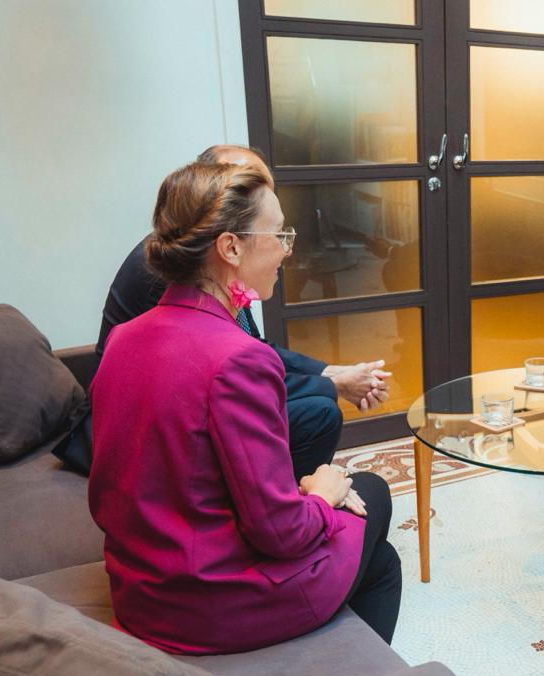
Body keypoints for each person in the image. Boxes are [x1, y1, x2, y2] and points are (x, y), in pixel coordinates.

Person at [88, 161, 402, 654]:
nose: (286, 251)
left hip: (139, 593)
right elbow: (282, 533)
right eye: (279, 235)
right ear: (230, 247)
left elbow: (106, 498)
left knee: (378, 561)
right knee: (371, 491)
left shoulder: (124, 340)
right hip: (206, 605)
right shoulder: (237, 358)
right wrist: (320, 495)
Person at [60, 144, 390, 479]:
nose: (284, 248)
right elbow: (240, 372)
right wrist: (334, 386)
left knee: (320, 417)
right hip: (146, 434)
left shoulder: (213, 271)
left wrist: (329, 371)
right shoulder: (176, 274)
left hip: (188, 413)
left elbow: (253, 354)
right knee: (333, 437)